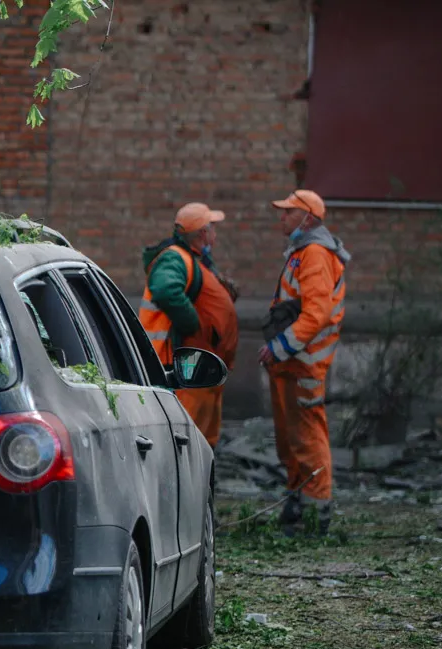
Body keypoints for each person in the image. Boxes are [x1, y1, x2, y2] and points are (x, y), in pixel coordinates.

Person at [259, 189, 350, 537]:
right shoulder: (303, 252)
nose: (281, 218)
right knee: (292, 439)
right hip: (291, 365)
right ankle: (298, 504)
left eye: (288, 213)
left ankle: (315, 515)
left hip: (304, 365)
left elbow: (316, 314)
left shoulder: (314, 253)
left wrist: (278, 347)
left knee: (308, 438)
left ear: (308, 218)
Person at [139, 202, 239, 449]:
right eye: (212, 228)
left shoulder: (193, 260)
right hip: (174, 357)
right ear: (203, 233)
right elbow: (165, 290)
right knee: (183, 432)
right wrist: (193, 323)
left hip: (193, 356)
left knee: (197, 433)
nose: (215, 234)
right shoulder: (176, 258)